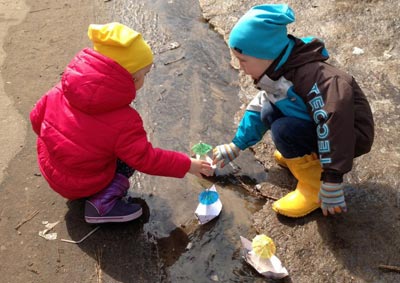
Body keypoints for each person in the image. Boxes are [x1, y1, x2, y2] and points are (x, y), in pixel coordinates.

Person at [30, 22, 212, 224]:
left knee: (109, 146)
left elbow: (36, 120)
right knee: (127, 161)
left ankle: (87, 181)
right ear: (130, 79)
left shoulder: (61, 90)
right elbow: (146, 159)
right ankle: (101, 205)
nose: (145, 80)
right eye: (145, 75)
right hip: (80, 184)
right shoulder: (124, 121)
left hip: (51, 167)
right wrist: (188, 164)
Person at [212, 4, 374, 218]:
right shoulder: (278, 68)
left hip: (348, 135)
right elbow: (261, 106)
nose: (241, 67)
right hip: (321, 123)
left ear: (266, 54)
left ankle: (313, 189)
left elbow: (334, 124)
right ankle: (303, 156)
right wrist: (237, 144)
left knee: (284, 130)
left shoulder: (315, 79)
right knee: (268, 110)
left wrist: (332, 179)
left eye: (243, 60)